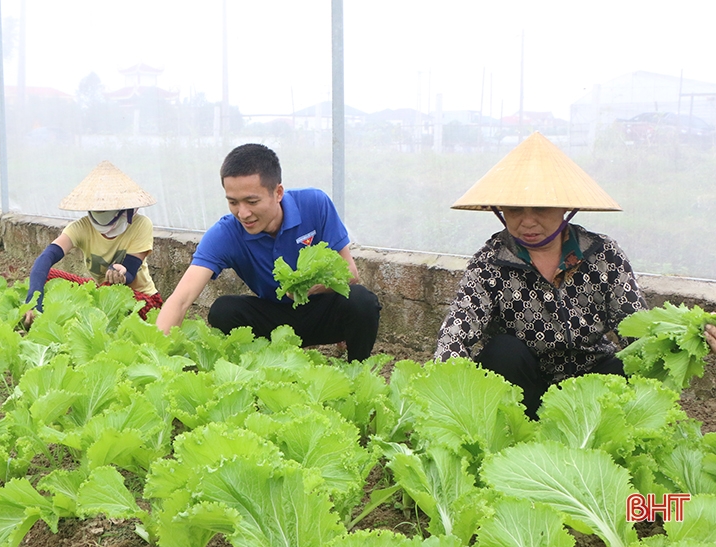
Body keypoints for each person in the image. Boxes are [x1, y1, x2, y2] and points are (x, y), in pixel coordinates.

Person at [434, 132, 647, 419]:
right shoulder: (491, 261)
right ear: (501, 213)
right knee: (501, 352)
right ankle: (518, 432)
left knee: (628, 366)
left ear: (564, 210)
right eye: (515, 210)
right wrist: (439, 384)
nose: (528, 221)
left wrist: (682, 338)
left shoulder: (603, 254)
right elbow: (461, 325)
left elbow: (637, 329)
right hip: (526, 385)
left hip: (591, 384)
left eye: (542, 208)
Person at [155, 143, 381, 362]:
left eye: (252, 201)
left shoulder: (315, 203)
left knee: (361, 301)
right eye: (233, 202)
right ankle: (261, 366)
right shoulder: (226, 233)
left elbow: (351, 274)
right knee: (223, 310)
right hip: (273, 321)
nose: (243, 213)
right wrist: (155, 354)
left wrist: (311, 289)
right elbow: (181, 299)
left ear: (278, 192)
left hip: (320, 313)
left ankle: (357, 371)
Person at [24, 160, 162, 325]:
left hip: (142, 298)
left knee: (110, 295)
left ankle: (80, 319)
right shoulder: (81, 227)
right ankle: (40, 318)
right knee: (48, 275)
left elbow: (131, 270)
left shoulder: (141, 224)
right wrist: (33, 300)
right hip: (101, 291)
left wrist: (120, 271)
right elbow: (47, 257)